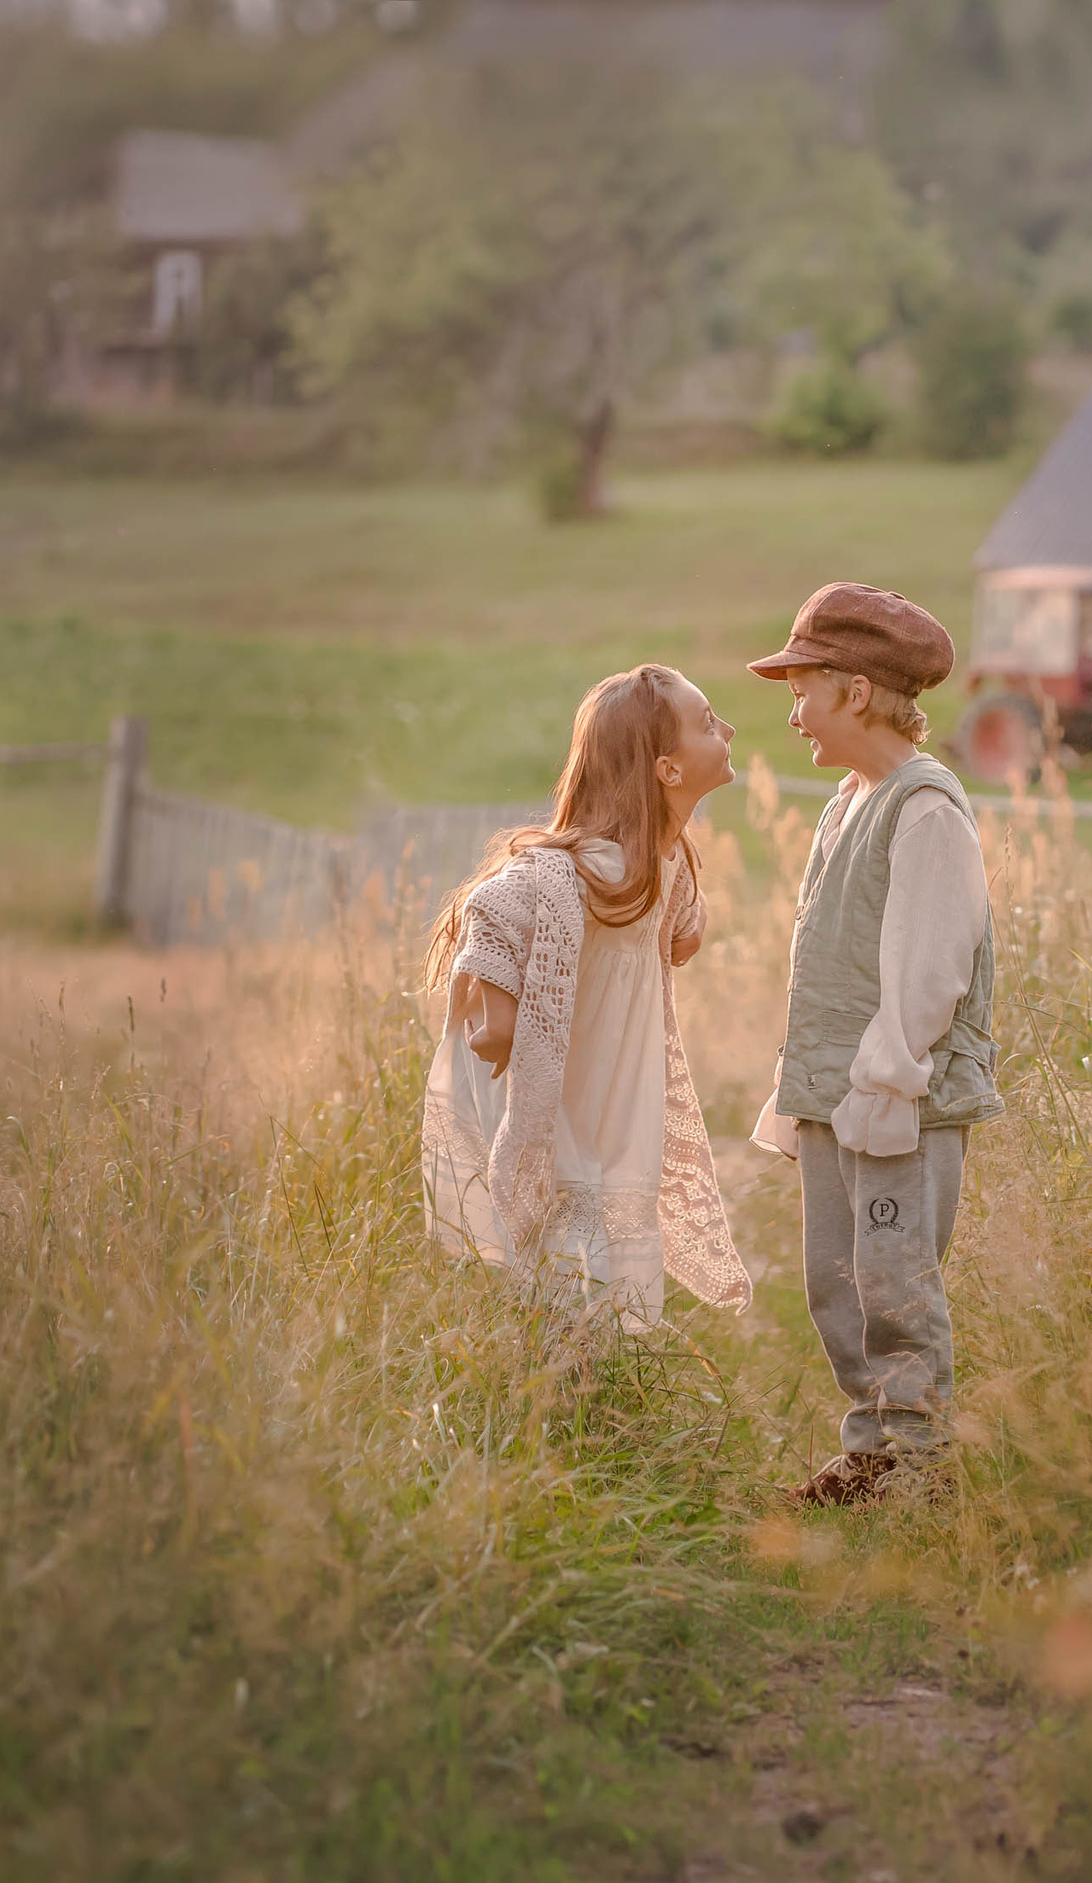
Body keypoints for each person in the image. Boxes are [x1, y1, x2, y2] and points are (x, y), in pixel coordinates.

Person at [749, 583, 1001, 1507]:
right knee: (837, 1283)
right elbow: (829, 953)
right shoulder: (848, 802)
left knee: (893, 1281)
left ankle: (921, 1463)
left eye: (804, 685)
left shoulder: (925, 807)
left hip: (894, 1095)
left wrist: (886, 1081)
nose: (794, 710)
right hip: (834, 1092)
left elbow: (930, 965)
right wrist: (806, 1086)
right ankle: (872, 1450)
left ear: (856, 692)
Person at [421, 665, 752, 1327]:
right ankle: (559, 1415)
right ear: (667, 769)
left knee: (613, 1304)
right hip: (573, 1120)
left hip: (622, 1122)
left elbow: (680, 922)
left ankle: (593, 1417)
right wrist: (495, 1001)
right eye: (708, 723)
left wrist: (694, 912)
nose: (729, 730)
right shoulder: (581, 870)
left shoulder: (663, 868)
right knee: (571, 1298)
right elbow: (494, 901)